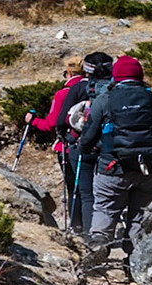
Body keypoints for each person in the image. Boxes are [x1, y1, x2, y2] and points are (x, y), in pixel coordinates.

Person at [73, 54, 152, 279]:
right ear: (140, 76)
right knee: (141, 215)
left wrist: (88, 148)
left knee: (106, 208)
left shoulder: (105, 100)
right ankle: (135, 265)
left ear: (116, 77)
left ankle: (98, 251)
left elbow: (88, 136)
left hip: (112, 168)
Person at [28, 53, 108, 236]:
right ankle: (97, 226)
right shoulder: (100, 88)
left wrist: (33, 121)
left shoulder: (64, 93)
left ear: (69, 73)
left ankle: (78, 227)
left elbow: (53, 123)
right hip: (103, 145)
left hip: (72, 146)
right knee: (95, 188)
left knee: (76, 188)